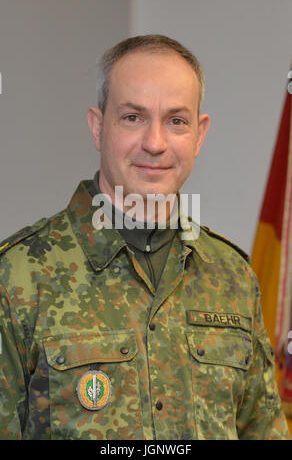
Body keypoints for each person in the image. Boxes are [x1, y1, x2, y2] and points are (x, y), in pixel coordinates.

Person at [0, 34, 289, 440]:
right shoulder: (18, 278)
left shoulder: (233, 277)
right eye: (133, 117)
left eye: (176, 120)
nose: (155, 144)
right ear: (98, 126)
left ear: (199, 134)